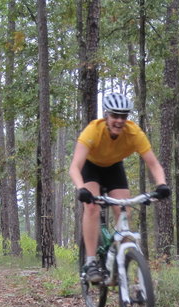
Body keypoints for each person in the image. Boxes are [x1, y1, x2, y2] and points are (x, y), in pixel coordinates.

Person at [69, 92, 171, 283]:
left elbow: (154, 164)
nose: (119, 120)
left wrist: (162, 184)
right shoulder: (92, 132)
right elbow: (75, 167)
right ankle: (90, 261)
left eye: (123, 116)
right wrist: (81, 188)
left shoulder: (134, 133)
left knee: (124, 209)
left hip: (114, 167)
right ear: (106, 116)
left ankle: (120, 261)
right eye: (115, 115)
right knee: (92, 207)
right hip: (91, 168)